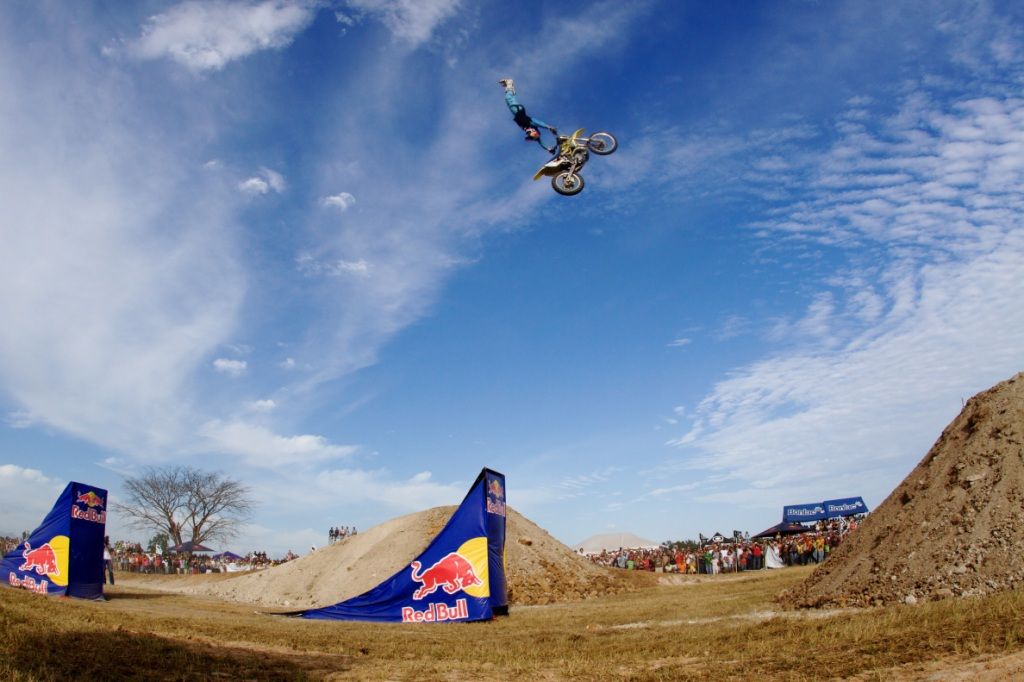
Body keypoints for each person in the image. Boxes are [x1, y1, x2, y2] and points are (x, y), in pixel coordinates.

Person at [499, 79, 558, 154]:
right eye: (530, 134)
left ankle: (510, 89)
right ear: (535, 132)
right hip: (518, 111)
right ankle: (509, 83)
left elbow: (540, 143)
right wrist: (549, 127)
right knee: (508, 98)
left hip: (516, 112)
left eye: (528, 134)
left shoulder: (530, 130)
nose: (528, 133)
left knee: (509, 99)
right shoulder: (531, 124)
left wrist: (548, 149)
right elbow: (538, 123)